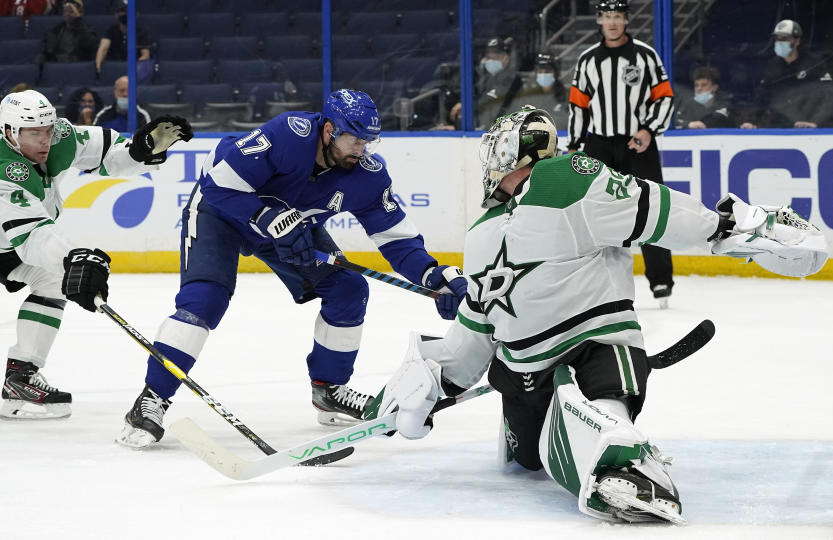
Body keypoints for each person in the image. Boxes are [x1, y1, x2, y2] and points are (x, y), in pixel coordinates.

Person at [369, 106, 828, 524]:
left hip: (592, 350)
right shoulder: (482, 233)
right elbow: (477, 327)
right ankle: (582, 440)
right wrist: (431, 380)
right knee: (526, 462)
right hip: (524, 376)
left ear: (513, 151)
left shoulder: (564, 177)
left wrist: (728, 228)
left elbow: (651, 208)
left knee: (600, 376)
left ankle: (621, 454)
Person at [115, 89, 469, 448]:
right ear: (329, 129)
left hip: (288, 228)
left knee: (347, 289)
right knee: (204, 300)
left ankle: (328, 390)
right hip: (221, 213)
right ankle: (152, 398)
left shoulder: (367, 175)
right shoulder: (288, 134)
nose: (361, 150)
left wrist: (433, 275)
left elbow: (396, 238)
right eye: (354, 140)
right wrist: (267, 217)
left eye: (368, 142)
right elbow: (218, 183)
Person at [0, 89, 192, 419]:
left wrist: (139, 150)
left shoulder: (58, 136)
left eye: (46, 130)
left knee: (54, 278)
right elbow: (32, 236)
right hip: (16, 238)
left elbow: (106, 155)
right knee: (60, 266)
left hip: (8, 245)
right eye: (34, 134)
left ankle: (20, 378)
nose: (45, 140)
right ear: (8, 132)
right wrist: (74, 257)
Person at [567, 0, 675, 308]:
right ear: (599, 20)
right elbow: (579, 105)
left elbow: (664, 97)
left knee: (651, 208)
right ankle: (593, 284)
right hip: (599, 146)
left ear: (626, 20)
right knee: (593, 212)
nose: (612, 22)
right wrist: (574, 144)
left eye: (618, 16)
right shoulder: (588, 59)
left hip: (637, 144)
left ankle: (661, 280)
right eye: (607, 16)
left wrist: (649, 130)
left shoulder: (645, 55)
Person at [739, 19, 833, 129]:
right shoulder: (773, 65)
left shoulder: (814, 63)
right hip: (777, 127)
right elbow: (761, 96)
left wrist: (815, 122)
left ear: (797, 41)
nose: (780, 42)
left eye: (784, 39)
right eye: (777, 39)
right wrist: (750, 121)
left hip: (806, 128)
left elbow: (828, 97)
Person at [472, 37, 523, 130]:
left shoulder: (514, 79)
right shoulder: (486, 78)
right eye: (488, 57)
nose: (490, 61)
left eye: (495, 57)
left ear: (506, 58)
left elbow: (498, 105)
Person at [94, 2, 151, 77]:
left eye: (126, 11)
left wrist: (132, 68)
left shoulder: (141, 32)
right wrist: (98, 67)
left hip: (134, 71)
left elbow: (145, 55)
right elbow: (103, 48)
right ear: (116, 14)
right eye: (120, 11)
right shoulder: (111, 30)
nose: (123, 14)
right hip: (113, 70)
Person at [515, 53, 568, 129]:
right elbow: (519, 120)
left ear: (556, 73)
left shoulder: (565, 95)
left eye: (547, 72)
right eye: (540, 72)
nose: (543, 75)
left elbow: (568, 121)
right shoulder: (527, 95)